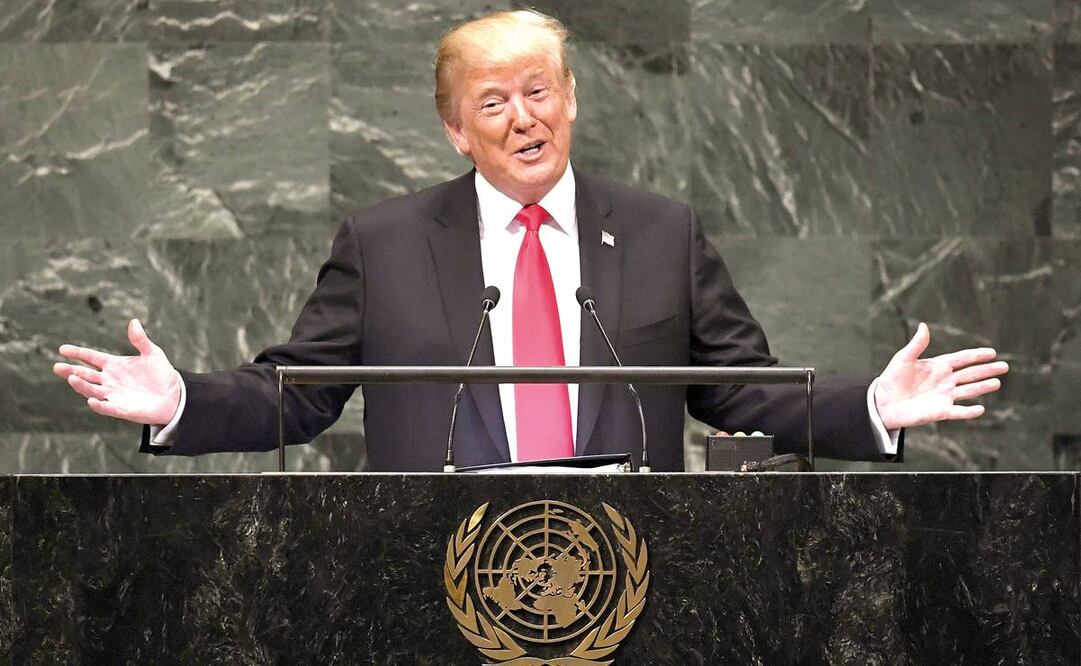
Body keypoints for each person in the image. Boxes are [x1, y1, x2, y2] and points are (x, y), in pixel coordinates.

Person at [52, 10, 1007, 471]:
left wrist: (870, 406)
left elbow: (733, 389)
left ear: (572, 101)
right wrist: (177, 401)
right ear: (456, 131)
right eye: (492, 102)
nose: (522, 118)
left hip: (625, 579)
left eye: (539, 91)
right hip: (429, 576)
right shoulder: (383, 242)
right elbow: (295, 397)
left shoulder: (657, 231)